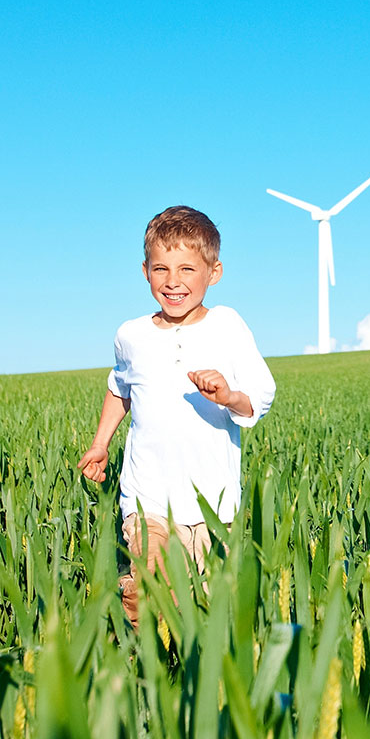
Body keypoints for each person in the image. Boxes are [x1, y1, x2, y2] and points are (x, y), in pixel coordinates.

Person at [78, 205, 276, 625]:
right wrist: (100, 444)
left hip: (212, 504)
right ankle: (132, 646)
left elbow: (260, 398)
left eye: (187, 269)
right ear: (145, 271)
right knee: (154, 585)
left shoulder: (227, 325)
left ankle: (174, 654)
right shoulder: (131, 334)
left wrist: (228, 396)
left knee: (203, 610)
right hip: (147, 497)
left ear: (214, 272)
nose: (173, 281)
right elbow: (120, 388)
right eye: (161, 269)